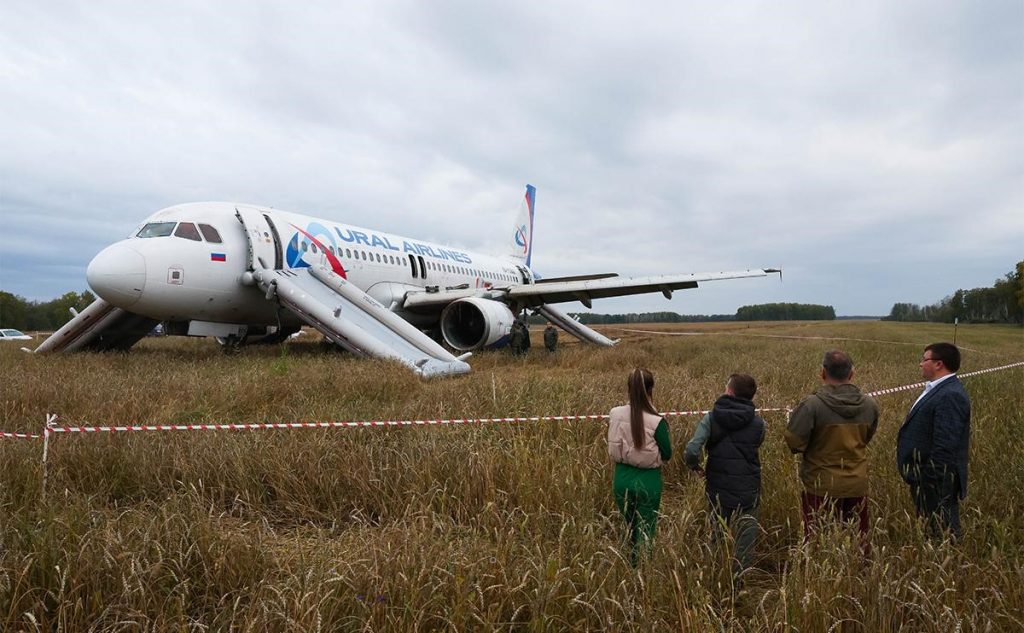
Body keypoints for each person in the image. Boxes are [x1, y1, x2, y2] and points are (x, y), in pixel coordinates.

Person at [785, 350, 879, 554]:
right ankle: (858, 571)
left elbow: (794, 442)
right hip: (857, 484)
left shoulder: (812, 405)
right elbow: (867, 437)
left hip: (821, 485)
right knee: (858, 540)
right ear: (851, 374)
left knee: (817, 541)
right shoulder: (870, 404)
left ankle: (818, 574)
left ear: (823, 373)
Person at [684, 373, 764, 579]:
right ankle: (738, 583)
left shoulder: (711, 418)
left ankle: (715, 577)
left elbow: (692, 450)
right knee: (745, 540)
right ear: (751, 396)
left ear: (729, 391)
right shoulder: (758, 423)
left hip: (718, 487)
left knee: (717, 534)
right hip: (748, 487)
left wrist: (696, 467)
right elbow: (757, 443)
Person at [897, 342, 971, 541]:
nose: (921, 364)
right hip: (926, 478)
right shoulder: (937, 389)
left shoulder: (950, 395)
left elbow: (945, 445)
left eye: (924, 360)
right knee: (932, 530)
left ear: (939, 364)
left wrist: (929, 479)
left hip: (936, 481)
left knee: (944, 534)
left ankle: (951, 558)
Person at [607, 368, 672, 566]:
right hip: (648, 480)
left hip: (621, 478)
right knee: (646, 528)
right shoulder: (657, 421)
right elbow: (667, 453)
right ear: (651, 389)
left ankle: (628, 565)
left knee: (628, 526)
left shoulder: (614, 414)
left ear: (628, 388)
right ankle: (643, 571)